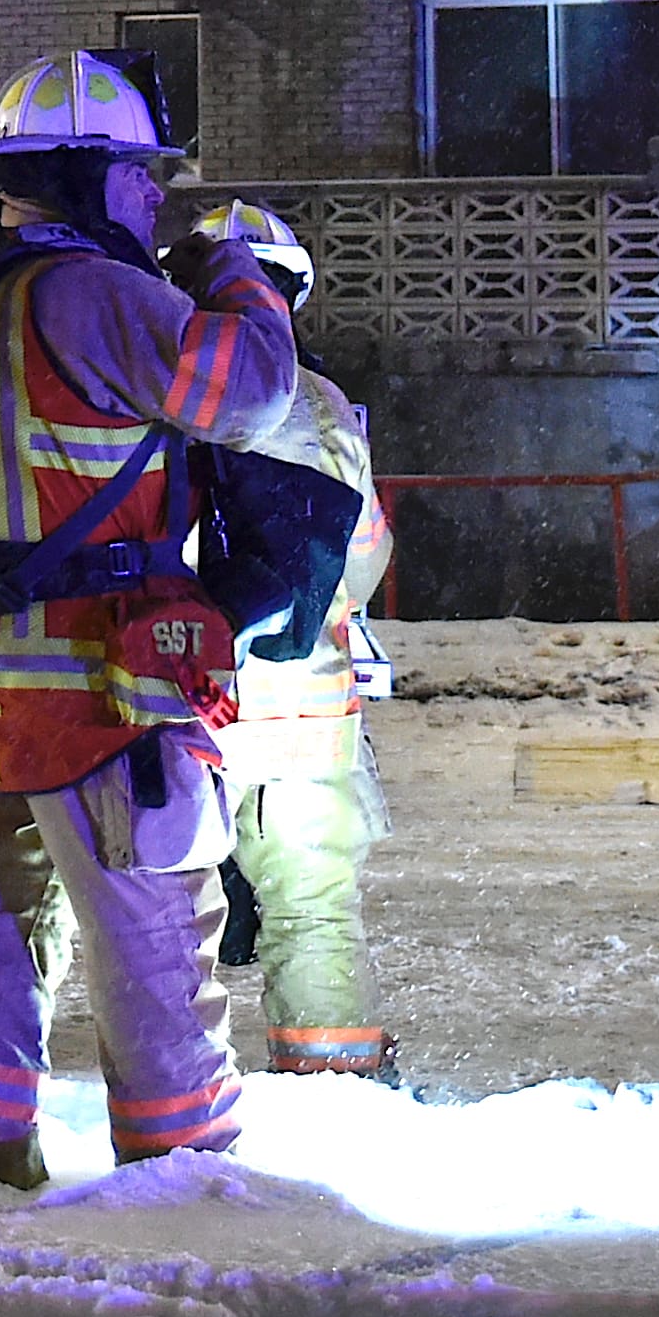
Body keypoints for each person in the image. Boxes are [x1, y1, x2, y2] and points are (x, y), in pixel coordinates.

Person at [0, 51, 300, 1187]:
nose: (153, 199)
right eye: (136, 175)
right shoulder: (90, 290)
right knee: (152, 939)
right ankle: (184, 1176)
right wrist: (237, 276)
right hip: (89, 689)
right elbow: (245, 392)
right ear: (82, 176)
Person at [196, 199, 402, 1078]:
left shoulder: (177, 391)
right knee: (314, 908)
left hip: (198, 708)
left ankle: (180, 1089)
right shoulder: (325, 408)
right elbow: (362, 562)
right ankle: (334, 1077)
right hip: (310, 718)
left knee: (177, 917)